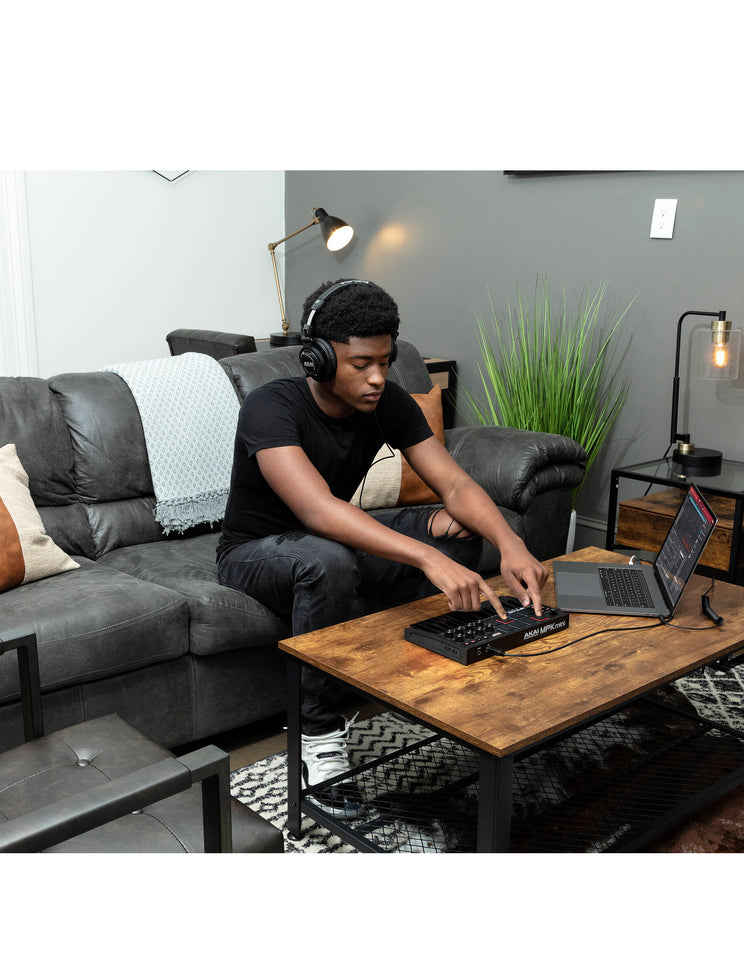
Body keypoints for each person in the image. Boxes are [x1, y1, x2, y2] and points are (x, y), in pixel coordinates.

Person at [216, 278, 548, 818]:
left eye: (385, 362)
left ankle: (425, 688)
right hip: (254, 552)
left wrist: (511, 545)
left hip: (330, 539)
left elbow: (455, 484)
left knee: (456, 529)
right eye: (361, 364)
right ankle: (317, 738)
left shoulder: (387, 401)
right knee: (328, 560)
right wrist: (425, 558)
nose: (377, 377)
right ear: (319, 358)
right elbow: (318, 511)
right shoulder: (269, 407)